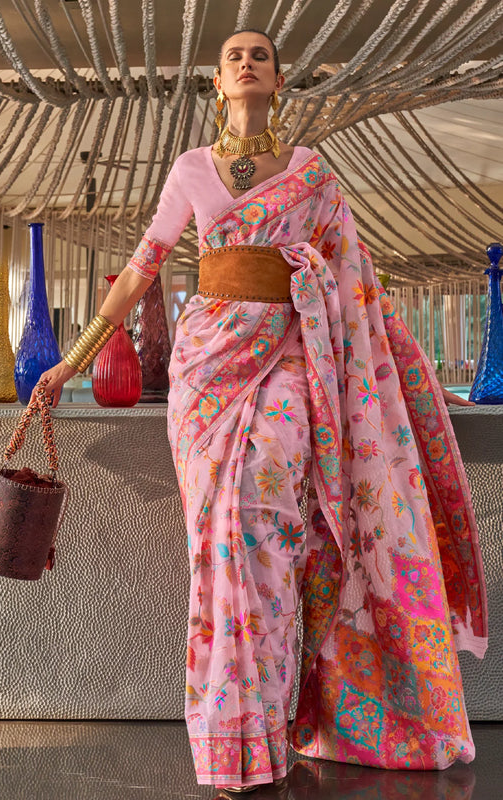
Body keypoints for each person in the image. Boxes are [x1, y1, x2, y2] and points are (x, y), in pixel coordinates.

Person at [34, 29, 487, 793]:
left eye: (260, 57)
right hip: (206, 368)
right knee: (218, 538)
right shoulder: (189, 170)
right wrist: (69, 361)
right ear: (216, 83)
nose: (246, 62)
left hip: (288, 358)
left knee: (265, 529)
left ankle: (275, 723)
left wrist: (406, 373)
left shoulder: (312, 175)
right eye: (233, 57)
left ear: (278, 82)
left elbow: (359, 283)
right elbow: (145, 264)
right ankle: (231, 738)